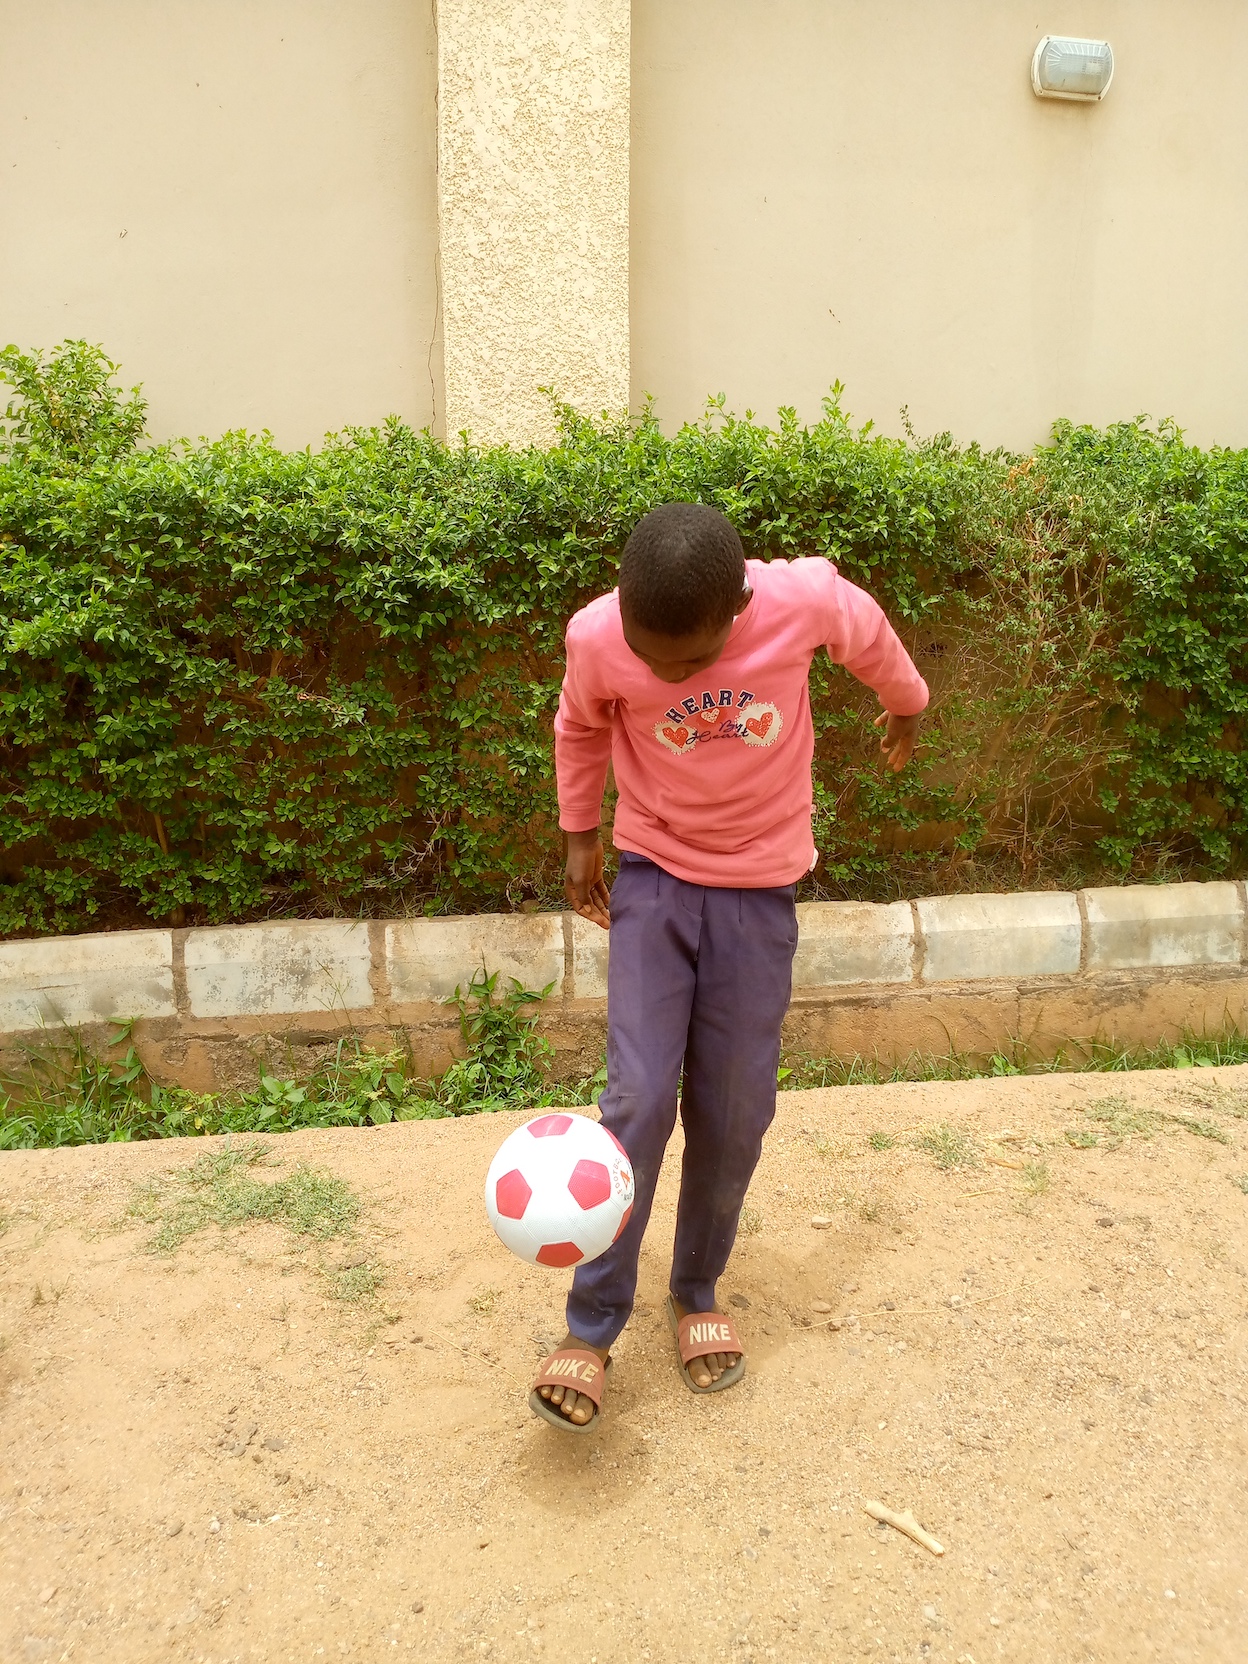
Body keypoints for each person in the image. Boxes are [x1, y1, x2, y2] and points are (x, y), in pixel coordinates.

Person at [528, 502, 928, 1431]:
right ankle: (593, 1322)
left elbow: (869, 633)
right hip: (656, 877)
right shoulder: (597, 636)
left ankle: (696, 1287)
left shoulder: (801, 599)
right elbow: (580, 727)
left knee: (737, 1103)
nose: (667, 676)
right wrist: (579, 835)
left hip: (759, 889)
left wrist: (907, 702)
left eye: (689, 662)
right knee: (637, 1100)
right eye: (651, 659)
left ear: (740, 607)